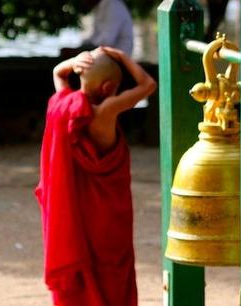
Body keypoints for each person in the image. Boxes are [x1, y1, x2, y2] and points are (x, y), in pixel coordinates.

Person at [35, 46, 156, 306]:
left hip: (76, 214)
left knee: (83, 275)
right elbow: (148, 85)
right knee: (113, 275)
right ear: (108, 87)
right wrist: (122, 56)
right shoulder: (106, 111)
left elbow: (58, 72)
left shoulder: (60, 104)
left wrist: (75, 62)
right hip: (108, 220)